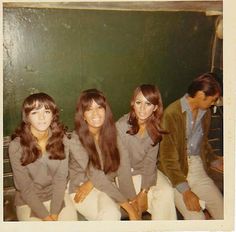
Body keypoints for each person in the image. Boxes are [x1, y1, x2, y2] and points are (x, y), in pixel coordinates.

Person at [158, 72, 224, 219]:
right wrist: (186, 191)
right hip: (175, 174)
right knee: (197, 219)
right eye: (212, 100)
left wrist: (215, 160)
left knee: (224, 213)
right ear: (201, 95)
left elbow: (203, 142)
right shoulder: (172, 114)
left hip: (197, 168)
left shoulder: (205, 112)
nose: (213, 104)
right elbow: (167, 159)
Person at [68, 89, 140, 220]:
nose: (95, 113)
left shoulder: (113, 133)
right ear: (83, 115)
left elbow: (123, 167)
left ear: (105, 111)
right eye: (89, 109)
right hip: (80, 190)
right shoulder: (76, 140)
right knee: (112, 215)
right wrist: (130, 209)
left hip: (105, 185)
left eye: (99, 108)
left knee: (112, 213)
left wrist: (133, 200)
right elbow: (97, 175)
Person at [9, 93, 77, 221]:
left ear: (53, 115)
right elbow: (25, 188)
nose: (42, 117)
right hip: (28, 200)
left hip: (56, 196)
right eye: (34, 112)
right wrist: (46, 217)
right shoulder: (16, 146)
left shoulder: (62, 140)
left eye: (46, 111)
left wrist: (55, 213)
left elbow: (60, 179)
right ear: (27, 117)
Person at [116, 84, 177, 220]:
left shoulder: (155, 128)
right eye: (139, 103)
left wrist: (144, 191)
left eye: (148, 104)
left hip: (146, 172)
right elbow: (123, 168)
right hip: (126, 175)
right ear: (133, 104)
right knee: (144, 205)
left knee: (166, 192)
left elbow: (150, 163)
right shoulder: (121, 127)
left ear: (155, 107)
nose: (142, 109)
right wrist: (133, 200)